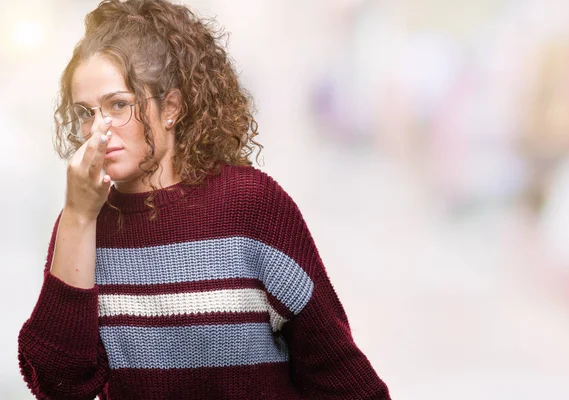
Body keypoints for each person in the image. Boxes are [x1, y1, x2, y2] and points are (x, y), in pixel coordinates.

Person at [17, 0, 390, 399]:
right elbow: (59, 384)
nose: (98, 130)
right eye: (85, 113)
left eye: (118, 105)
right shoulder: (82, 225)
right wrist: (77, 216)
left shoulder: (252, 205)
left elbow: (337, 374)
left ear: (171, 108)